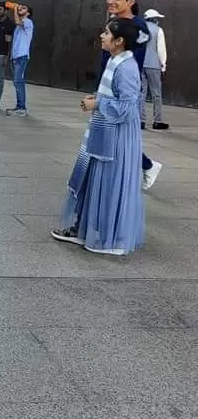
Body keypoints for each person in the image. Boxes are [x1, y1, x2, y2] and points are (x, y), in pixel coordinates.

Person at [51, 18, 144, 256]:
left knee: (110, 183)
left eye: (106, 33)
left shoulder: (126, 67)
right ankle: (88, 230)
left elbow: (127, 107)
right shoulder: (117, 61)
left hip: (117, 138)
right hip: (106, 132)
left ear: (119, 40)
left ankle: (107, 237)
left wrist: (98, 103)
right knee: (96, 181)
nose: (102, 36)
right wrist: (97, 100)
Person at [101, 0, 162, 190]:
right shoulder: (113, 23)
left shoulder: (139, 27)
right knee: (112, 139)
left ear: (131, 0)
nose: (110, 1)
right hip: (107, 88)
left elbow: (132, 63)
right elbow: (105, 59)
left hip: (123, 91)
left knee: (122, 139)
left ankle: (147, 165)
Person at [141, 8, 169, 131]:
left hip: (141, 64)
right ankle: (157, 121)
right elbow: (161, 50)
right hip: (153, 65)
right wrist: (163, 65)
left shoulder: (139, 29)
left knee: (141, 94)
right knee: (156, 94)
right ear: (154, 19)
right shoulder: (159, 30)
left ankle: (141, 121)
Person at [6, 3, 33, 117]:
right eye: (20, 7)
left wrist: (15, 9)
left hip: (22, 57)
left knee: (19, 82)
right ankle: (19, 106)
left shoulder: (28, 22)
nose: (21, 8)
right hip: (16, 57)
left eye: (24, 8)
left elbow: (17, 21)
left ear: (28, 13)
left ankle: (22, 108)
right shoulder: (18, 26)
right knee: (17, 82)